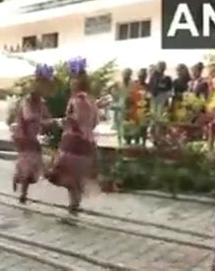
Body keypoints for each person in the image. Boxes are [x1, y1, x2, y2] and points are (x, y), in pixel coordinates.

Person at [45, 57, 99, 215]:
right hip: (87, 144)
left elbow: (70, 120)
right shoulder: (92, 101)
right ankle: (74, 204)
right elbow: (95, 122)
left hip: (72, 143)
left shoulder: (74, 101)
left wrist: (57, 122)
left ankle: (73, 204)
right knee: (77, 177)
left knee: (62, 174)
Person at [11, 64, 55, 204]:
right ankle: (21, 187)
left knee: (31, 164)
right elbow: (28, 116)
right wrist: (42, 120)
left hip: (31, 136)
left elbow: (47, 117)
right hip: (23, 136)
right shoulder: (27, 101)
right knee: (30, 162)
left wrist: (55, 121)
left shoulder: (41, 103)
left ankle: (20, 183)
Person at [110, 68, 132, 147]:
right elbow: (112, 92)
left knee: (128, 125)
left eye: (128, 74)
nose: (126, 75)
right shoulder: (118, 83)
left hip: (128, 107)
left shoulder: (132, 84)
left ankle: (127, 141)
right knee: (119, 125)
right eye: (125, 74)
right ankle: (120, 143)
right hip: (120, 106)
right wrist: (114, 101)